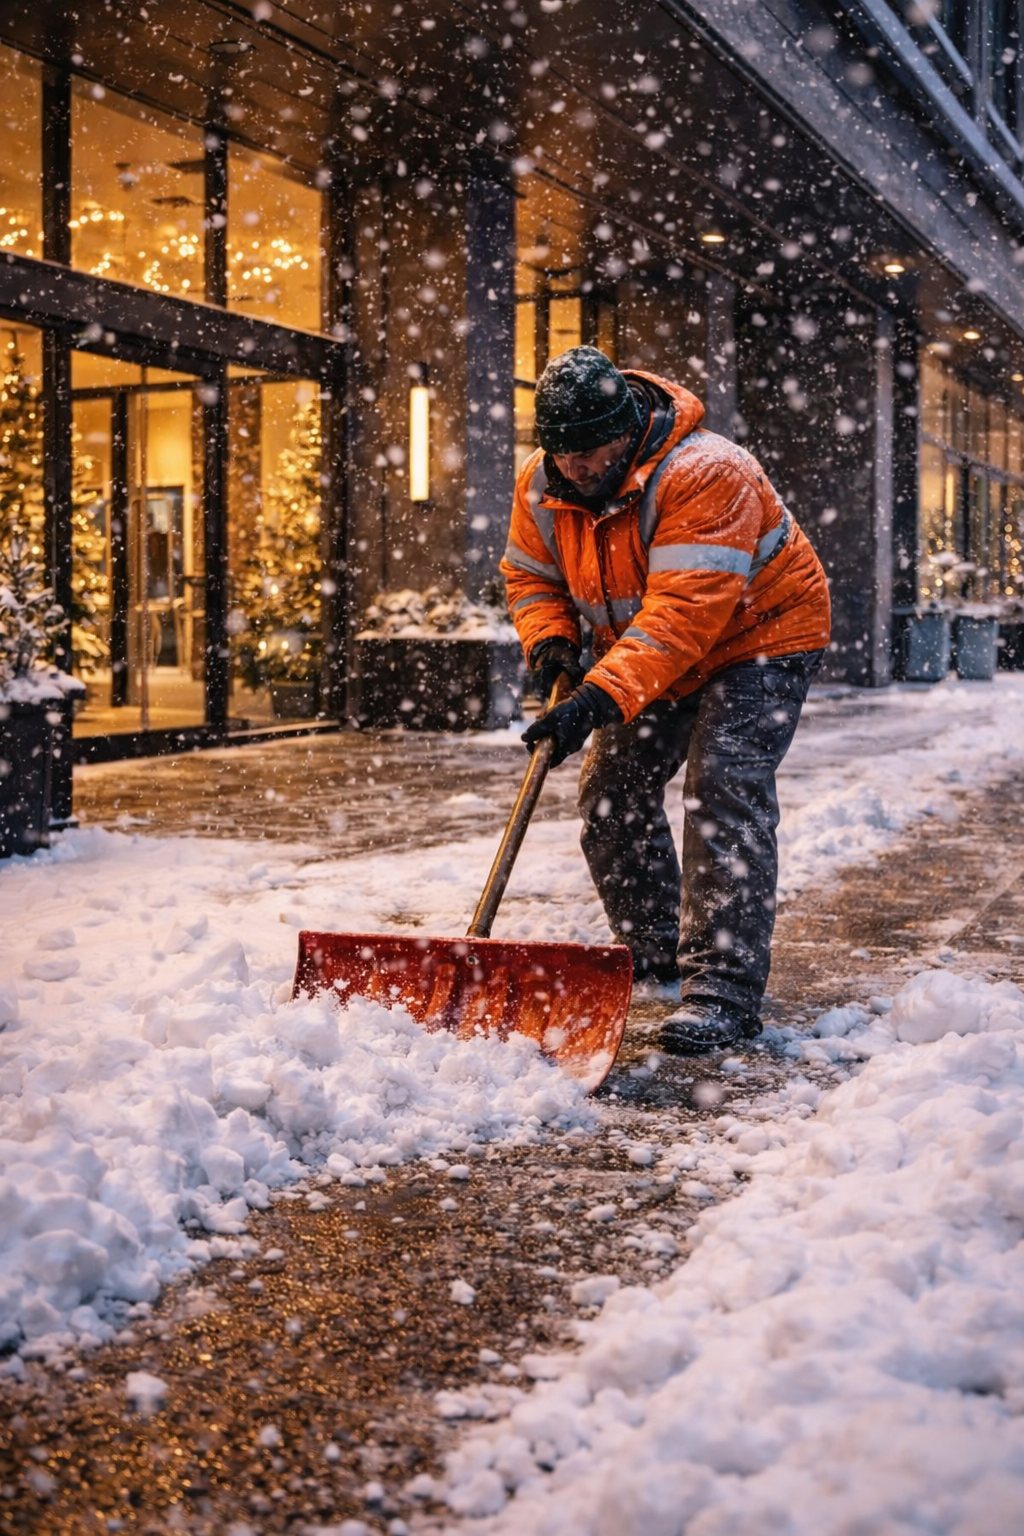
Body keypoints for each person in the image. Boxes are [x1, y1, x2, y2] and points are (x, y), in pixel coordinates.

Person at [500, 346, 831, 1054]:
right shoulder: (541, 485)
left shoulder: (708, 472)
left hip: (758, 640)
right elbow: (530, 577)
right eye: (564, 451)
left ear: (628, 428)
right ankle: (651, 959)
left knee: (722, 787)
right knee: (610, 789)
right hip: (653, 651)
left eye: (593, 449)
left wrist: (595, 699)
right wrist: (551, 643)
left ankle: (723, 993)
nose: (580, 466)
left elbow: (684, 615)